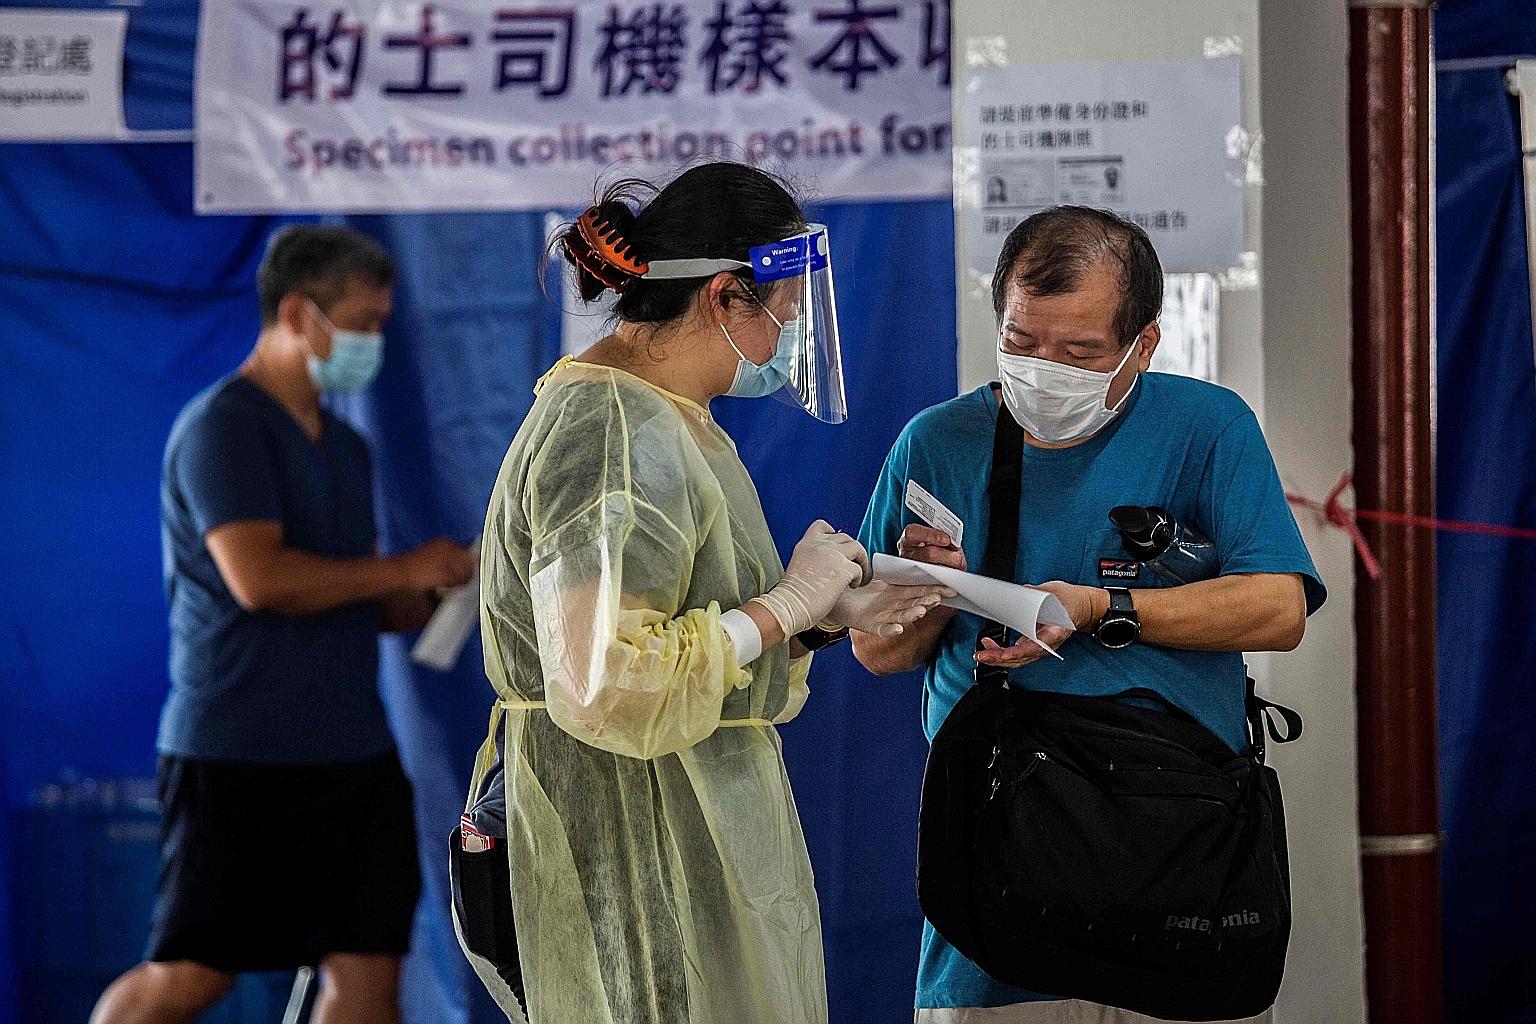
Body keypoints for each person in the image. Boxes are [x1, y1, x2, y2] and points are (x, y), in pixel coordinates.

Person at [452, 163, 950, 1024]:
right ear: (725, 298)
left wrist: (817, 623)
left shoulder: (663, 415)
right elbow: (607, 684)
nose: (793, 330)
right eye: (785, 307)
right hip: (629, 841)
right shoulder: (611, 432)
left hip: (674, 828)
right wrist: (786, 605)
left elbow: (683, 641)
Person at [852, 206, 1327, 1024]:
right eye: (1023, 342)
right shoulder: (939, 441)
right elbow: (876, 651)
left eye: (1079, 353)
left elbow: (1278, 608)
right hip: (999, 873)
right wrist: (929, 598)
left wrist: (1106, 609)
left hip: (1174, 851)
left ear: (1143, 343)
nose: (1044, 369)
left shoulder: (1205, 427)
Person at [90, 226, 478, 1024]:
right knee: (190, 977)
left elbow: (369, 601)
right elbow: (260, 581)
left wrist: (453, 587)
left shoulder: (346, 446)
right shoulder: (221, 428)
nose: (373, 342)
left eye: (380, 324)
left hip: (354, 755)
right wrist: (406, 568)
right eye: (363, 322)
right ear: (299, 313)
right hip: (238, 753)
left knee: (369, 980)